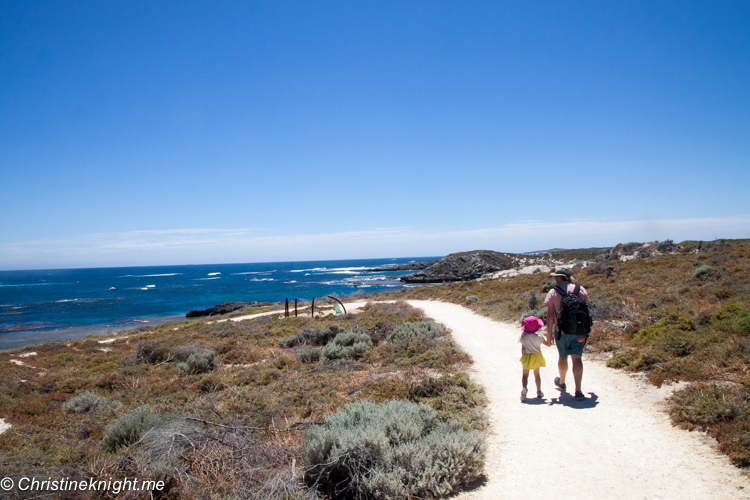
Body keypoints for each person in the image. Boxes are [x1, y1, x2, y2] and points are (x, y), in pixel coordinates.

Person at [544, 268, 590, 401]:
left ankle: (562, 382)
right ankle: (578, 390)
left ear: (559, 277)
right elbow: (587, 308)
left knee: (562, 357)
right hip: (580, 330)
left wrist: (550, 333)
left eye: (555, 277)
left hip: (562, 331)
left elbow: (550, 314)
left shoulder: (553, 292)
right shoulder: (580, 289)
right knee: (577, 358)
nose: (554, 279)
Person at [519, 315, 551, 402]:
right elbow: (548, 345)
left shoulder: (524, 337)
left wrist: (523, 357)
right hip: (536, 356)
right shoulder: (539, 337)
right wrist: (548, 337)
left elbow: (522, 349)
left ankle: (524, 387)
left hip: (527, 355)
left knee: (525, 375)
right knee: (537, 374)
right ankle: (539, 391)